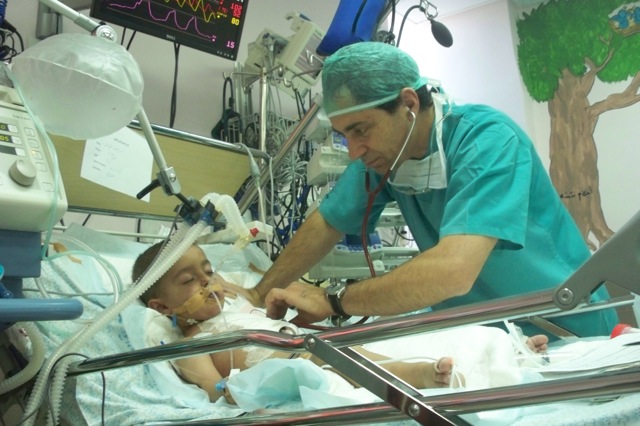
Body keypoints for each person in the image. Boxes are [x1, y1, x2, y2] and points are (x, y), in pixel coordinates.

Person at [234, 41, 617, 339]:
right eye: (344, 135)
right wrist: (258, 293)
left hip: (565, 328)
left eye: (360, 130)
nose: (354, 151)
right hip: (481, 332)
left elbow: (453, 271)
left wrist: (334, 301)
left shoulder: (488, 140)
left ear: (409, 104)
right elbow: (327, 222)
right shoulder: (383, 157)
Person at [132, 242, 463, 404]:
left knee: (351, 352)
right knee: (341, 363)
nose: (207, 281)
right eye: (189, 280)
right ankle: (415, 376)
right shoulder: (190, 344)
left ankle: (409, 372)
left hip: (303, 343)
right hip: (289, 365)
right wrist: (231, 391)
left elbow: (257, 300)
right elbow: (215, 392)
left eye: (208, 271)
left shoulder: (237, 304)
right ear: (161, 307)